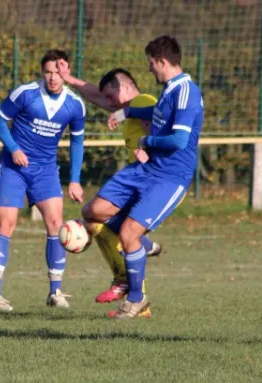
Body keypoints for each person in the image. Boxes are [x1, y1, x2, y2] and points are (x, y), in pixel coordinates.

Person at [82, 35, 204, 319]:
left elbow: (179, 141)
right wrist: (127, 111)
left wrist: (147, 143)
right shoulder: (170, 90)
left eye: (151, 64)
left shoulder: (187, 92)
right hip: (145, 170)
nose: (149, 69)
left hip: (169, 177)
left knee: (127, 234)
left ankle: (136, 300)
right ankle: (143, 246)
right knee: (92, 211)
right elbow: (158, 113)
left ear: (163, 61)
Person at [55, 65, 162, 314]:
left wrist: (150, 150)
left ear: (124, 87)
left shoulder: (144, 101)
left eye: (111, 96)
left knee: (101, 219)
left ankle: (130, 276)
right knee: (96, 220)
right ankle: (139, 266)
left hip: (153, 181)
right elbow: (94, 94)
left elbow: (162, 130)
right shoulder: (127, 109)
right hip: (142, 178)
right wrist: (68, 78)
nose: (108, 102)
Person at [0, 49, 86, 312]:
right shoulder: (26, 93)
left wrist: (74, 180)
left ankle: (55, 292)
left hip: (45, 171)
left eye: (57, 72)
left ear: (65, 73)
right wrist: (13, 148)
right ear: (42, 73)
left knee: (56, 224)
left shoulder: (75, 105)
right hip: (13, 169)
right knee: (5, 225)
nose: (53, 78)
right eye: (48, 72)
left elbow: (77, 142)